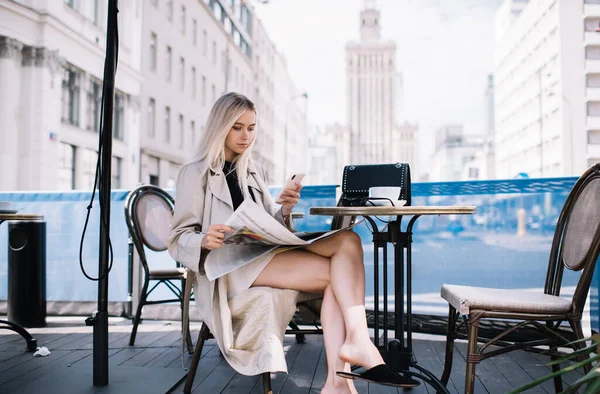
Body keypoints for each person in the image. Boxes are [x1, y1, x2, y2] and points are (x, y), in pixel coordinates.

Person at [168, 92, 418, 393]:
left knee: (348, 241)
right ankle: (344, 369)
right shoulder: (194, 173)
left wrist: (283, 210)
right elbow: (178, 239)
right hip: (230, 269)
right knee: (337, 277)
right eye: (237, 127)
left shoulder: (253, 170)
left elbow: (263, 226)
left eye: (251, 127)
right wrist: (204, 239)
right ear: (220, 126)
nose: (246, 135)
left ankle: (350, 357)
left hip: (261, 254)